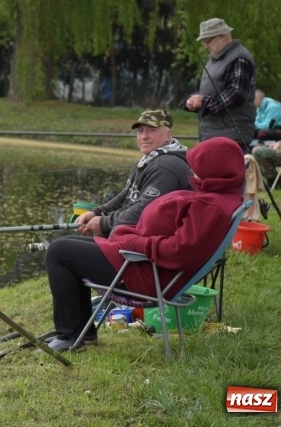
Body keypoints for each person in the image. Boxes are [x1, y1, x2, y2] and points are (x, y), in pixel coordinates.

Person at [45, 137, 245, 352]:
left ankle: (68, 335)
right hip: (140, 263)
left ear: (214, 171)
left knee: (59, 252)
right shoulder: (219, 196)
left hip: (144, 273)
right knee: (69, 242)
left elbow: (181, 253)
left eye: (197, 168)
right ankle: (83, 333)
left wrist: (135, 241)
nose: (192, 173)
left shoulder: (211, 207)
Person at [75, 109, 194, 237]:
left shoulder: (165, 166)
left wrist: (104, 223)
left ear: (168, 135)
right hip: (133, 237)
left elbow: (143, 211)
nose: (144, 136)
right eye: (140, 131)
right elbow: (125, 196)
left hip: (151, 246)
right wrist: (97, 212)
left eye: (151, 130)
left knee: (60, 249)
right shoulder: (147, 161)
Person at [182, 18, 256, 151]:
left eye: (207, 40)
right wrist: (192, 100)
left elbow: (237, 93)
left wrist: (204, 103)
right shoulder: (215, 59)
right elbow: (213, 92)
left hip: (230, 135)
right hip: (214, 134)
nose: (205, 46)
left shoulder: (239, 58)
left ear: (221, 36)